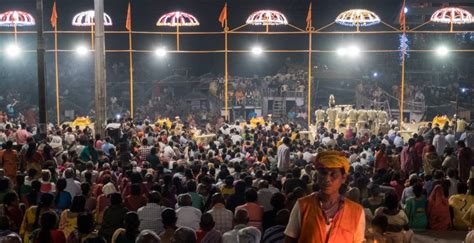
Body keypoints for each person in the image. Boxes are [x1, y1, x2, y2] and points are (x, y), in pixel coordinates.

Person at [284, 151, 365, 243]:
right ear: (317, 175)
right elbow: (289, 240)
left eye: (333, 174)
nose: (327, 179)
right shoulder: (302, 205)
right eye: (323, 173)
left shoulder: (357, 212)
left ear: (343, 178)